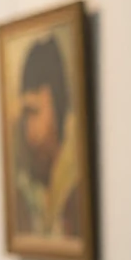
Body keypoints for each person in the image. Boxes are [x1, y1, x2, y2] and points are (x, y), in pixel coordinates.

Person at [15, 34, 81, 238]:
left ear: (58, 106)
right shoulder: (30, 181)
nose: (28, 129)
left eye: (34, 112)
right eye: (25, 116)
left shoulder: (77, 186)